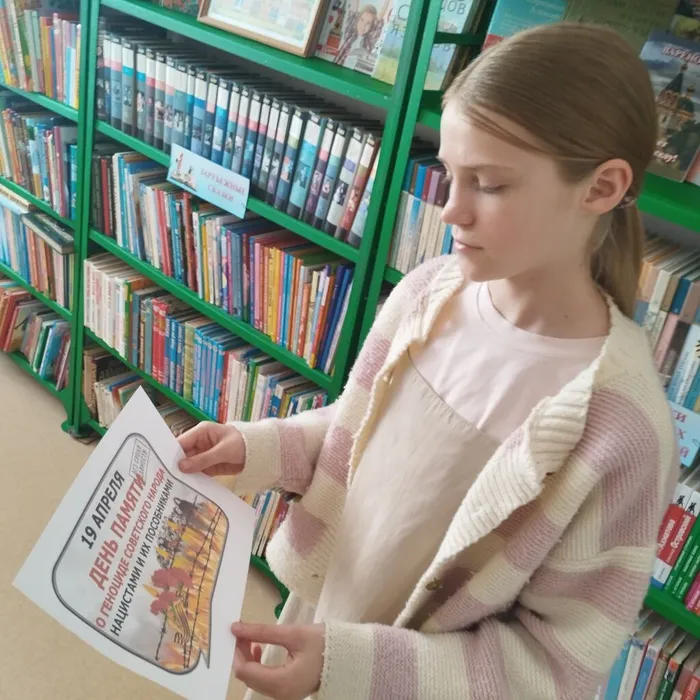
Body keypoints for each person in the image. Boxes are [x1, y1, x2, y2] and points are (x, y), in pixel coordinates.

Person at [178, 23, 677, 700]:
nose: (450, 210)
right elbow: (361, 434)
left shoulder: (622, 431)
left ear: (601, 187)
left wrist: (352, 665)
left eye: (489, 185)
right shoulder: (427, 295)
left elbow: (554, 666)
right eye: (448, 176)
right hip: (321, 623)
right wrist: (258, 448)